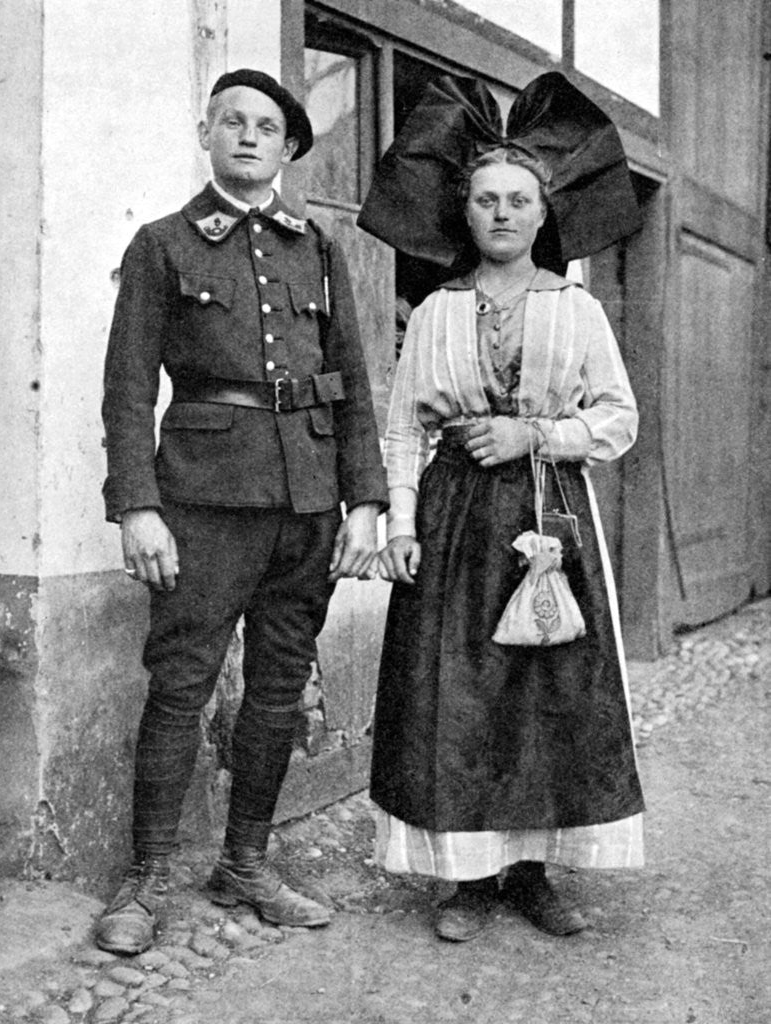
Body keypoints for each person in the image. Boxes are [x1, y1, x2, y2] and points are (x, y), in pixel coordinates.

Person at [97, 68, 387, 955]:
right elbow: (126, 388)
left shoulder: (318, 249)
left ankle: (245, 863)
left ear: (290, 147)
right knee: (181, 687)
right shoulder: (163, 245)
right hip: (203, 504)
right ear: (207, 133)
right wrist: (137, 507)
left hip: (306, 501)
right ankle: (145, 878)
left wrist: (365, 499)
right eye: (234, 122)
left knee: (275, 691)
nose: (252, 137)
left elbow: (352, 383)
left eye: (268, 126)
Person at [360, 74, 645, 943]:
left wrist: (537, 437)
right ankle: (464, 880)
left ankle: (532, 874)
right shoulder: (438, 314)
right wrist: (401, 527)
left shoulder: (579, 310)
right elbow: (406, 428)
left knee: (546, 691)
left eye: (518, 200)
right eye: (485, 199)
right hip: (452, 522)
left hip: (550, 517)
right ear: (466, 212)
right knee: (454, 693)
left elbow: (619, 420)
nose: (502, 214)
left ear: (541, 211)